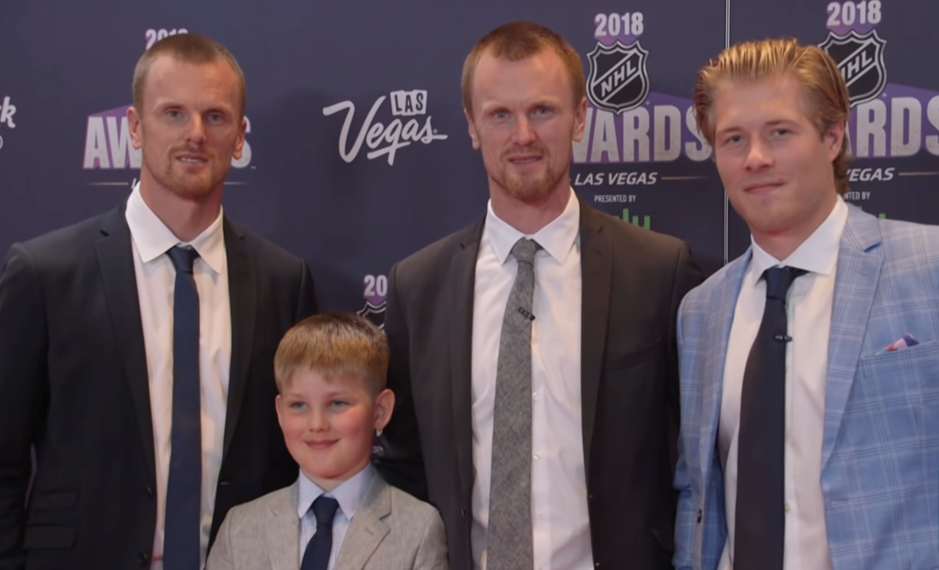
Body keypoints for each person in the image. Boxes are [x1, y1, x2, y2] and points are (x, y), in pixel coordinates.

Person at [0, 33, 318, 570]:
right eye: (174, 114)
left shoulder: (284, 280)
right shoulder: (45, 273)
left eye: (215, 116)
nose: (195, 135)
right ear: (135, 127)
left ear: (239, 137)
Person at [375, 20, 704, 570]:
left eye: (542, 111)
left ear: (578, 118)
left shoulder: (659, 269)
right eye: (500, 114)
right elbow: (405, 464)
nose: (522, 135)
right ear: (472, 127)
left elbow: (693, 461)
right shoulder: (419, 284)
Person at [674, 37, 939, 570]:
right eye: (733, 139)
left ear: (833, 135)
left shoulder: (929, 266)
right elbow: (696, 490)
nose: (755, 158)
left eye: (780, 132)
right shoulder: (699, 311)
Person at [206, 313, 448, 570]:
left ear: (380, 411)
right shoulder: (239, 529)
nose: (317, 424)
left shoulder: (419, 529)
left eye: (337, 403)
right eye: (298, 405)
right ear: (279, 412)